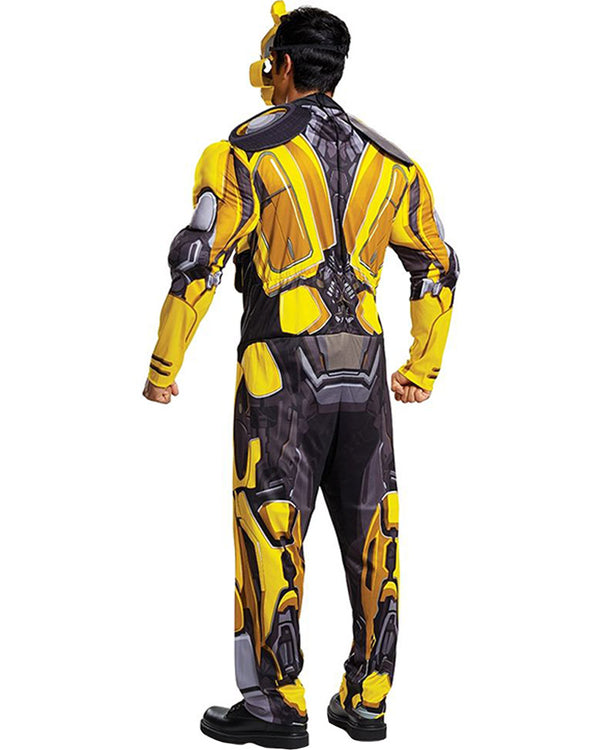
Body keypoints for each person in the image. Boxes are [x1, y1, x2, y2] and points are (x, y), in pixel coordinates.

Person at [142, 4, 459, 747]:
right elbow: (438, 264)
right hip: (367, 370)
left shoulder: (242, 152)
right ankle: (368, 698)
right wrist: (424, 365)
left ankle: (275, 703)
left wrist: (164, 363)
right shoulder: (397, 163)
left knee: (269, 524)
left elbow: (198, 260)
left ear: (282, 65)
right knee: (374, 528)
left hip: (279, 371)